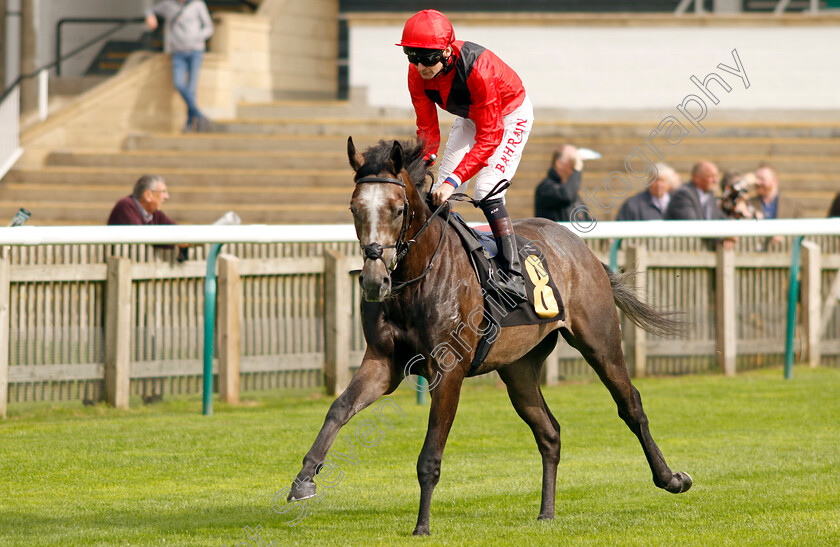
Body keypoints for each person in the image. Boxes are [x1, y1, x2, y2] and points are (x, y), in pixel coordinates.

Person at [398, 9, 533, 301]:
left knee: (484, 190)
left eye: (428, 58)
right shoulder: (416, 73)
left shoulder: (478, 70)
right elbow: (427, 130)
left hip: (508, 118)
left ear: (447, 51)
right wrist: (423, 165)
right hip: (472, 117)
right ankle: (449, 264)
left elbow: (490, 136)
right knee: (437, 192)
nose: (421, 65)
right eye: (412, 56)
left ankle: (514, 274)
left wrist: (455, 180)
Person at [145, 0, 214, 133]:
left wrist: (197, 37)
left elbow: (209, 27)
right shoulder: (168, 5)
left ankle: (189, 125)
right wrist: (150, 16)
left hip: (195, 52)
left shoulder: (197, 5)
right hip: (178, 53)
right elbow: (151, 9)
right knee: (179, 84)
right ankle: (199, 116)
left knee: (191, 89)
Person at [107, 174, 188, 258]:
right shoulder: (125, 206)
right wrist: (175, 241)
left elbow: (178, 231)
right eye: (163, 192)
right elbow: (140, 236)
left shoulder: (154, 213)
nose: (167, 197)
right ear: (148, 195)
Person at [534, 145, 586, 223]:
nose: (574, 166)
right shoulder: (545, 188)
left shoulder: (571, 190)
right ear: (559, 163)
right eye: (572, 161)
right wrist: (577, 169)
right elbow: (566, 196)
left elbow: (586, 219)